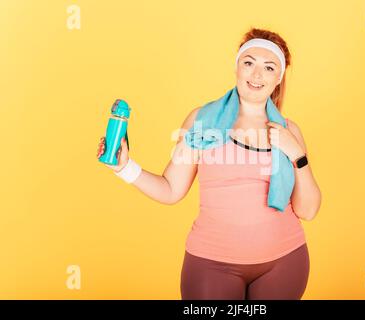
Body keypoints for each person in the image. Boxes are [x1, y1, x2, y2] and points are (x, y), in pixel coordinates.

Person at [97, 27, 321, 300]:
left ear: (279, 78)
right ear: (237, 68)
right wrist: (124, 167)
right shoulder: (201, 121)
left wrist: (296, 153)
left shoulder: (289, 131)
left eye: (269, 67)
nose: (257, 75)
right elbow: (171, 190)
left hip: (284, 261)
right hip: (212, 262)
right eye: (249, 63)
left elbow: (308, 210)